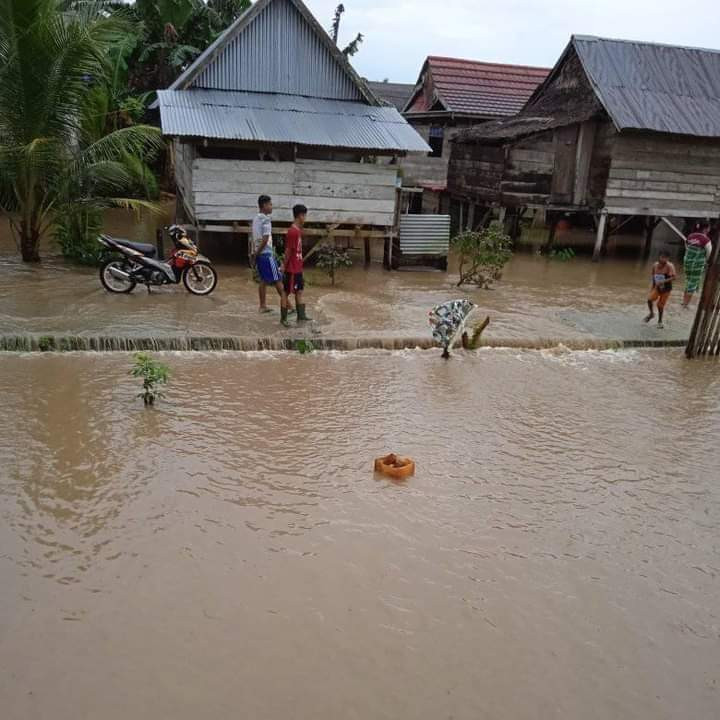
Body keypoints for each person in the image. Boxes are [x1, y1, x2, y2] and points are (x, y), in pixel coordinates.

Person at [251, 194, 289, 326]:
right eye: (270, 204)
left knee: (263, 280)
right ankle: (288, 306)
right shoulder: (266, 220)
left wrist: (254, 253)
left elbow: (255, 238)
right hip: (266, 254)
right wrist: (258, 252)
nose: (272, 206)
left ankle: (262, 306)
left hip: (259, 254)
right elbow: (266, 239)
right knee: (278, 279)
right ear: (265, 205)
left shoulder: (255, 219)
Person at [283, 204, 312, 322]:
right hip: (293, 269)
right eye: (304, 216)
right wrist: (283, 265)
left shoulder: (298, 231)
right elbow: (288, 250)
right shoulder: (293, 232)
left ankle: (301, 316)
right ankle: (283, 318)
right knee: (286, 292)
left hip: (298, 267)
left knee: (299, 291)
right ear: (300, 216)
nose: (305, 218)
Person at [682, 221, 713, 308]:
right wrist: (705, 262)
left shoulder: (690, 236)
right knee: (692, 283)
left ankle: (683, 301)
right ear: (706, 229)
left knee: (688, 281)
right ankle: (685, 304)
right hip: (697, 265)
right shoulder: (706, 240)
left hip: (687, 262)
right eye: (709, 228)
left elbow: (687, 247)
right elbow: (709, 253)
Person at [644, 251, 676, 329]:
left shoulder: (670, 266)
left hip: (666, 288)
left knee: (660, 306)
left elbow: (674, 277)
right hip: (657, 287)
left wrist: (663, 281)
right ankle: (651, 314)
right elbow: (653, 276)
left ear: (668, 259)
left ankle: (660, 322)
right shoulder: (655, 265)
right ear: (659, 257)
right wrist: (652, 287)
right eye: (662, 257)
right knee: (649, 299)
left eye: (665, 258)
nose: (663, 259)